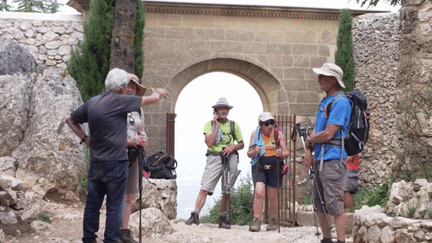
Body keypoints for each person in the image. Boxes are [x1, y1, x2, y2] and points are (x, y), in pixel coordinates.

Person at [65, 68, 169, 243]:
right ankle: (111, 240)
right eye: (126, 84)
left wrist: (86, 139)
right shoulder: (120, 101)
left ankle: (88, 239)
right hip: (116, 162)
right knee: (114, 205)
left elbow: (70, 119)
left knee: (93, 204)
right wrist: (158, 92)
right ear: (121, 86)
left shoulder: (93, 102)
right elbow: (152, 100)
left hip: (97, 162)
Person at [303, 63, 351, 243]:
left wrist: (309, 141)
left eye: (322, 77)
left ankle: (340, 240)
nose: (318, 80)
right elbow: (320, 134)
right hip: (321, 159)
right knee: (319, 202)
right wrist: (309, 150)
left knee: (334, 203)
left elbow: (328, 133)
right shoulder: (324, 102)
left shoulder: (341, 102)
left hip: (333, 159)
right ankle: (326, 239)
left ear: (332, 80)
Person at [184, 97, 244, 229]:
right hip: (214, 157)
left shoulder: (234, 125)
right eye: (221, 108)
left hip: (230, 157)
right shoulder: (209, 125)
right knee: (205, 187)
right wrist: (216, 125)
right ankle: (195, 214)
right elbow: (210, 143)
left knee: (227, 190)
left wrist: (232, 147)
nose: (223, 110)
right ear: (216, 111)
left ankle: (223, 218)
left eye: (225, 108)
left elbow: (241, 143)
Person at [247, 112, 289, 232]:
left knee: (273, 195)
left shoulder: (278, 134)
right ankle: (256, 221)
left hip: (274, 167)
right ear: (261, 125)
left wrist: (282, 154)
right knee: (259, 193)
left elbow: (286, 152)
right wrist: (255, 151)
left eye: (272, 123)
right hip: (259, 166)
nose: (270, 126)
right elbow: (249, 153)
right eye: (267, 123)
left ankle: (274, 220)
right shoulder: (255, 135)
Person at [120, 74, 149, 243]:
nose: (131, 89)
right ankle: (113, 229)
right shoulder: (115, 106)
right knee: (116, 193)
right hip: (117, 154)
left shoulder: (138, 108)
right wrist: (129, 141)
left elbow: (142, 129)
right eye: (128, 86)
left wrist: (143, 140)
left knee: (129, 194)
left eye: (134, 87)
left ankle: (124, 230)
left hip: (133, 155)